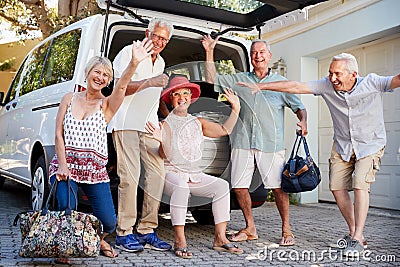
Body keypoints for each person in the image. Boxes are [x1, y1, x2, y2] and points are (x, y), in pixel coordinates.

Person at [237, 52, 400, 256]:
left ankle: (358, 238)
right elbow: (295, 87)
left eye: (338, 74)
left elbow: (397, 80)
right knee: (336, 188)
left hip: (370, 144)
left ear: (354, 74)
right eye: (330, 73)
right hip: (342, 145)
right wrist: (262, 86)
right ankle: (354, 234)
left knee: (360, 183)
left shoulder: (373, 82)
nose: (332, 78)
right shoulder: (326, 85)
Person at [48, 38, 156, 264]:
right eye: (97, 72)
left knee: (109, 223)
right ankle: (66, 248)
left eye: (106, 75)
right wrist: (64, 165)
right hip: (66, 166)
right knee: (67, 209)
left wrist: (134, 64)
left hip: (94, 171)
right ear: (88, 73)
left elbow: (123, 87)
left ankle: (97, 240)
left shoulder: (106, 104)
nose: (100, 78)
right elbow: (58, 134)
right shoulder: (69, 98)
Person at [202, 35, 308, 246]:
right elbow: (211, 78)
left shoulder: (280, 84)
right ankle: (250, 227)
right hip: (242, 141)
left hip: (270, 143)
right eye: (254, 53)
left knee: (278, 188)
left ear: (269, 56)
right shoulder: (240, 80)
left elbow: (299, 107)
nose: (257, 56)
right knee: (239, 187)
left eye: (261, 52)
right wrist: (209, 50)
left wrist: (303, 122)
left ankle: (286, 229)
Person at [145, 75, 243, 258]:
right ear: (170, 99)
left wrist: (236, 109)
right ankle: (179, 240)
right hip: (170, 175)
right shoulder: (165, 124)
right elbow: (163, 156)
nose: (181, 97)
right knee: (181, 188)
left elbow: (225, 130)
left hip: (194, 175)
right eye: (176, 94)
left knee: (222, 187)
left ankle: (220, 238)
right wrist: (161, 141)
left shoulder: (199, 122)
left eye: (185, 93)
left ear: (191, 97)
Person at [107, 18, 173, 252]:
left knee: (157, 175)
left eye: (164, 38)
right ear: (148, 32)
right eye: (156, 35)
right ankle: (124, 232)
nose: (159, 42)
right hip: (125, 122)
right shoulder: (130, 52)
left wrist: (163, 123)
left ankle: (146, 229)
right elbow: (119, 88)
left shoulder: (162, 61)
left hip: (149, 125)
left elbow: (155, 98)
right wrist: (150, 82)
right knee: (130, 176)